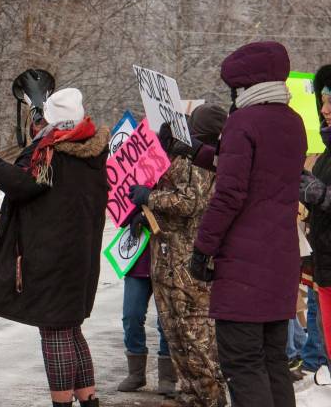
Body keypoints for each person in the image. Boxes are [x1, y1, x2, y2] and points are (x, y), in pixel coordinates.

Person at [0, 87, 109, 407]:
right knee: (70, 329)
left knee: (55, 329)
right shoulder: (93, 149)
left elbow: (22, 183)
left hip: (53, 256)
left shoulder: (53, 151)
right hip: (81, 255)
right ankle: (89, 401)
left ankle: (61, 404)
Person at [192, 41, 307, 407]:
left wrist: (203, 247)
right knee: (274, 361)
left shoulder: (242, 122)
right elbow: (259, 172)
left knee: (243, 364)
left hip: (244, 266)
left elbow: (230, 194)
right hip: (281, 262)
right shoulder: (293, 122)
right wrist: (194, 152)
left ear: (242, 87)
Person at [128, 104, 228, 407]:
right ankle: (189, 395)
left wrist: (151, 198)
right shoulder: (184, 156)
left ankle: (211, 399)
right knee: (176, 338)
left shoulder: (206, 160)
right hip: (168, 262)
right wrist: (148, 214)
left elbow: (191, 202)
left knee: (197, 340)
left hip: (190, 267)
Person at [299, 63, 331, 383]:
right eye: (322, 100)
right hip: (325, 271)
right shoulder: (323, 158)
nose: (324, 109)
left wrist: (324, 196)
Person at [117, 244, 177, 396]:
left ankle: (167, 377)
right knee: (131, 315)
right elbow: (120, 220)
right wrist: (136, 218)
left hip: (169, 260)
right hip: (138, 259)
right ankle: (136, 374)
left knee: (166, 321)